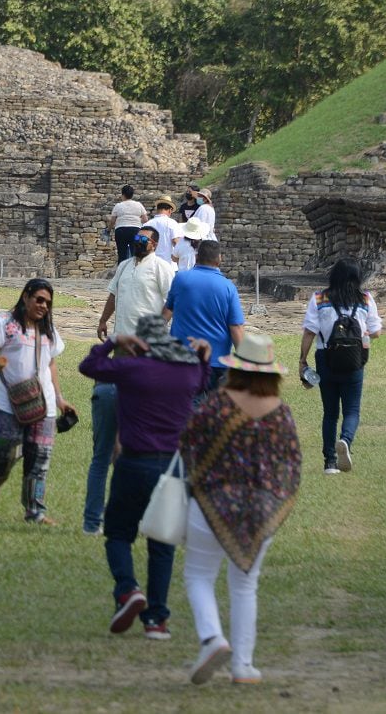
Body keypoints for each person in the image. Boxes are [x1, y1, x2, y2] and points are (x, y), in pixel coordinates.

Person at [179, 332, 300, 686]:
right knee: (246, 585)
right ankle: (243, 665)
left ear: (237, 369)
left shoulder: (217, 404)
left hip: (211, 505)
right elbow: (292, 464)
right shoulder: (281, 413)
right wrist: (276, 497)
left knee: (199, 575)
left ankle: (212, 638)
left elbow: (188, 444)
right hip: (260, 510)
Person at [79, 315, 209, 643]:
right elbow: (203, 382)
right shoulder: (188, 372)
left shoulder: (132, 368)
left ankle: (127, 589)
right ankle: (157, 620)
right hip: (173, 467)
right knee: (162, 543)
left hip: (134, 463)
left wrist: (113, 342)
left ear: (141, 341)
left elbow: (88, 366)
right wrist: (204, 357)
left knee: (119, 534)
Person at [86, 228, 179, 535]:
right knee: (111, 444)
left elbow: (172, 301)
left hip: (148, 354)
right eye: (137, 238)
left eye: (145, 238)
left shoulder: (163, 268)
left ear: (155, 244)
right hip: (121, 352)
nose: (139, 242)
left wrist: (157, 327)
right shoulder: (125, 266)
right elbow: (114, 294)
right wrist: (103, 318)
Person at [0, 279, 74, 526]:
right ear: (26, 296)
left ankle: (35, 510)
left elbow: (50, 363)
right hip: (7, 403)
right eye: (39, 299)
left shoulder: (48, 330)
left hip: (43, 404)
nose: (43, 306)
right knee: (4, 456)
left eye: (48, 303)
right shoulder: (5, 322)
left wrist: (60, 399)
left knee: (39, 458)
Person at [299, 259, 382, 476]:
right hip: (355, 359)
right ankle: (345, 439)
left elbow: (309, 331)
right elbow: (376, 331)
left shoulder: (319, 298)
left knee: (330, 412)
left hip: (326, 357)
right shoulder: (365, 299)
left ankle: (330, 462)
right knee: (352, 409)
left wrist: (302, 361)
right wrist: (361, 332)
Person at [165, 240, 244, 388]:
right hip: (216, 360)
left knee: (184, 406)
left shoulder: (181, 279)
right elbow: (236, 327)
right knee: (214, 407)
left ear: (196, 257)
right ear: (219, 258)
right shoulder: (228, 287)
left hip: (182, 358)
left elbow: (166, 312)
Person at [111, 185, 147, 263]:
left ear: (123, 195)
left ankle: (122, 272)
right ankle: (135, 271)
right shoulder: (138, 205)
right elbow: (145, 219)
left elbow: (112, 221)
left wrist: (108, 229)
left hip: (121, 231)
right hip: (136, 231)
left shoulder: (118, 206)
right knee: (136, 253)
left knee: (122, 254)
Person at [147, 196, 181, 266]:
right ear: (170, 210)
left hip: (150, 263)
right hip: (167, 263)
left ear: (157, 209)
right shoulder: (172, 223)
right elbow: (176, 242)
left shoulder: (147, 224)